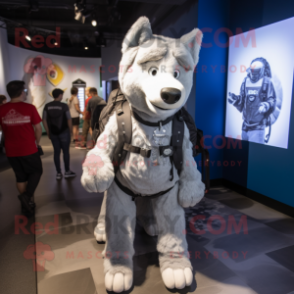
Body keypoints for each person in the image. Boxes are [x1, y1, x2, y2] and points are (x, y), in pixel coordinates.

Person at [0, 81, 43, 215]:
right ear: (21, 92)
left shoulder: (1, 109)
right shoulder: (29, 108)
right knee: (37, 171)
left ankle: (26, 205)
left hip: (11, 150)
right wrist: (36, 141)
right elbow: (38, 128)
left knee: (20, 176)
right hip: (28, 148)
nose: (26, 93)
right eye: (25, 91)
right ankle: (26, 197)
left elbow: (2, 129)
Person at [228, 57, 276, 144]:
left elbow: (272, 100)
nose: (253, 74)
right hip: (245, 127)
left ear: (261, 71)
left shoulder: (266, 82)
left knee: (255, 154)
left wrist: (265, 105)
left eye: (256, 71)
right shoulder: (245, 81)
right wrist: (235, 100)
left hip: (258, 128)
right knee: (244, 153)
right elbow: (242, 102)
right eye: (252, 71)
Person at [42, 88, 76, 180]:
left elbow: (44, 119)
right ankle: (67, 171)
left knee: (56, 152)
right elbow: (69, 118)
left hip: (53, 132)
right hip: (64, 132)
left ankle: (58, 173)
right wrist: (70, 131)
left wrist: (48, 131)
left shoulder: (47, 106)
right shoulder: (64, 106)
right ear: (60, 95)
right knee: (66, 152)